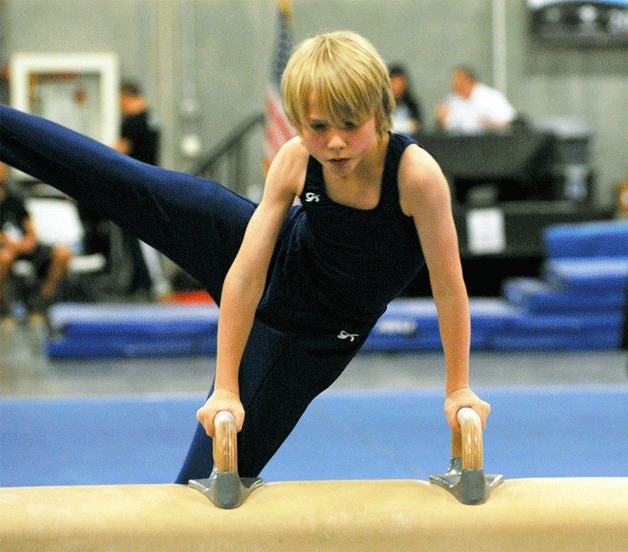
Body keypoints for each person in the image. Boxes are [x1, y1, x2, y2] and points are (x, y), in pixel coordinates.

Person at [0, 30, 490, 483]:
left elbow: (449, 287)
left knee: (204, 481)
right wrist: (225, 388)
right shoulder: (298, 157)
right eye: (318, 126)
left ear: (381, 112)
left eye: (350, 124)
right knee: (127, 183)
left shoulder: (416, 178)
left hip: (305, 335)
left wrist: (458, 389)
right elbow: (246, 273)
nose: (335, 142)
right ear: (299, 122)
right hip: (271, 257)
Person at [113, 79, 170, 299]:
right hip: (150, 181)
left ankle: (151, 281)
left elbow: (120, 151)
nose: (119, 104)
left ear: (127, 96)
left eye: (120, 99)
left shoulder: (132, 121)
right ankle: (140, 280)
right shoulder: (152, 117)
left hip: (135, 185)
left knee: (139, 236)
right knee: (138, 235)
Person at [0, 161, 73, 323]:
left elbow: (30, 227)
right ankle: (3, 307)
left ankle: (41, 301)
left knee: (63, 253)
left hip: (24, 246)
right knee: (3, 257)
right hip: (6, 249)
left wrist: (29, 240)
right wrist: (13, 244)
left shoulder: (14, 198)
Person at [436, 65, 516, 134]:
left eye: (458, 80)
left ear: (469, 80)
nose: (454, 84)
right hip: (460, 145)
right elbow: (446, 128)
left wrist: (491, 124)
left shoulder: (491, 97)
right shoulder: (451, 101)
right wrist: (441, 120)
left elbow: (510, 122)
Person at [389, 63, 423, 134]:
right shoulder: (381, 104)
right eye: (394, 82)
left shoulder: (411, 104)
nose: (397, 87)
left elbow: (418, 124)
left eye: (400, 83)